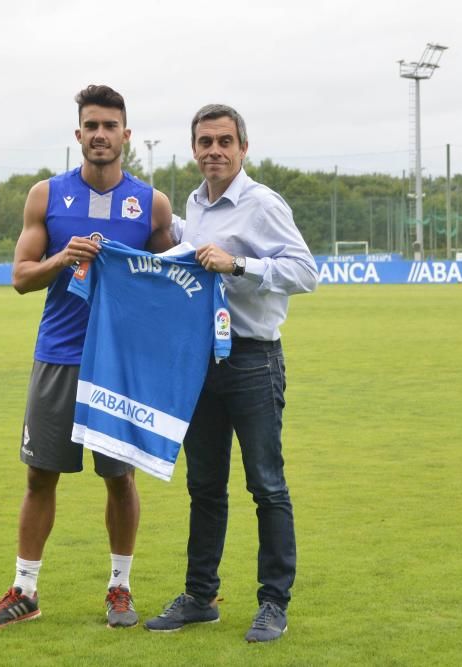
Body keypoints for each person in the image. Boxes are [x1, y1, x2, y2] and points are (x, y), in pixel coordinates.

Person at [0, 85, 174, 630]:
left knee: (119, 479)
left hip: (118, 365)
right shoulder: (46, 196)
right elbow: (19, 277)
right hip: (59, 357)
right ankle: (25, 590)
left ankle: (120, 589)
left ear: (126, 135)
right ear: (78, 134)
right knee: (40, 477)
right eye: (92, 126)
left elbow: (172, 284)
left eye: (111, 126)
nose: (101, 135)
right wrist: (63, 257)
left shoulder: (152, 205)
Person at [144, 104, 318, 642]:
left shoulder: (263, 204)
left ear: (244, 147)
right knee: (204, 486)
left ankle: (273, 603)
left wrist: (239, 264)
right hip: (201, 360)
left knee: (266, 484)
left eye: (224, 141)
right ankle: (201, 597)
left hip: (252, 358)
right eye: (204, 142)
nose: (213, 151)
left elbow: (306, 272)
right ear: (193, 149)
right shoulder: (193, 206)